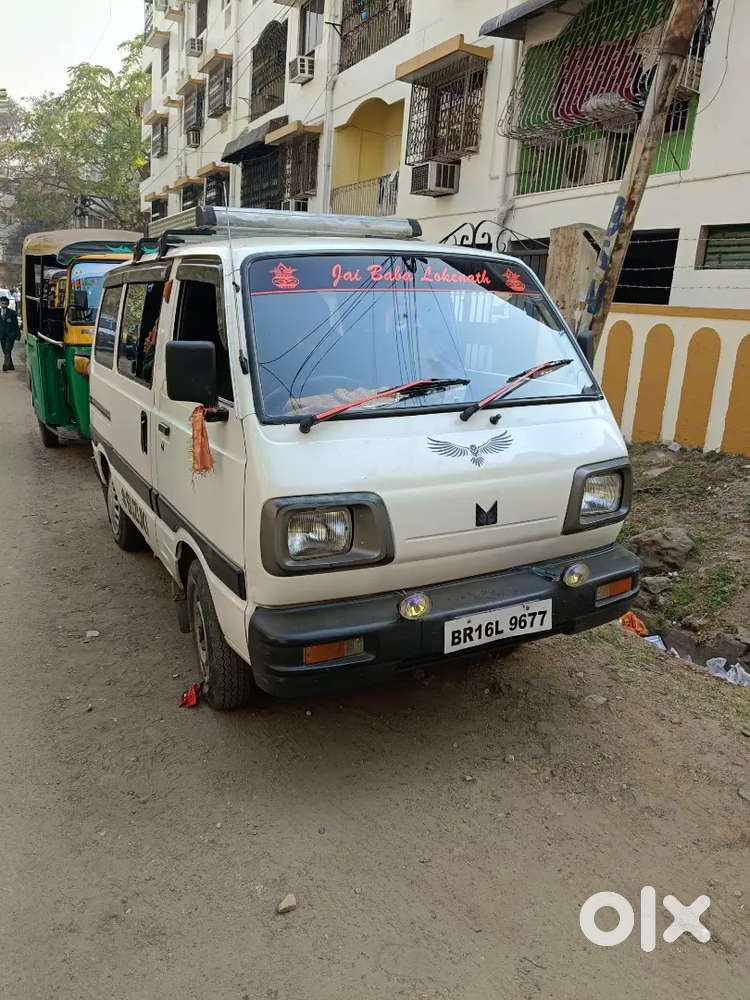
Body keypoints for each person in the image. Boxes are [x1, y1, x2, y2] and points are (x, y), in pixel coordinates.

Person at [0, 295, 20, 371]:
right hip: (2, 335)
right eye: (2, 303)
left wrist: (18, 334)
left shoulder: (12, 313)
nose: (4, 305)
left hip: (10, 335)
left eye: (5, 304)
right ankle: (11, 365)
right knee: (5, 350)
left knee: (8, 349)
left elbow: (16, 325)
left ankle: (5, 365)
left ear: (8, 304)